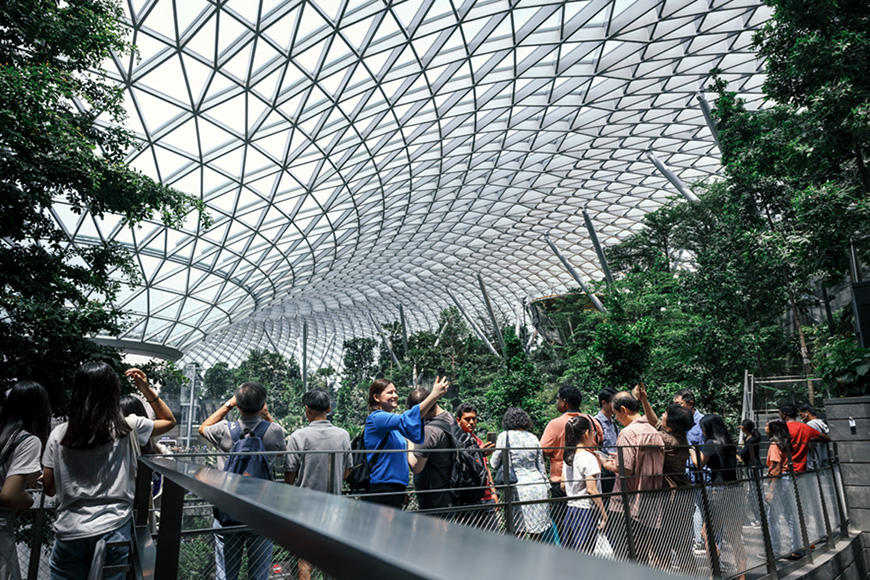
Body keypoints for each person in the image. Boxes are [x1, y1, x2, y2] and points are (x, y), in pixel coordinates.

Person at [43, 364, 176, 580]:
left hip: (69, 530)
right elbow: (169, 420)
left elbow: (49, 488)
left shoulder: (59, 434)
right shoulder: (128, 426)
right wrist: (145, 389)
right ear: (113, 392)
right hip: (114, 529)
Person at [199, 382, 285, 580]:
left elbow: (203, 428)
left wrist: (228, 405)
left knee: (226, 573)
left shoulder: (223, 430)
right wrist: (267, 416)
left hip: (228, 507)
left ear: (238, 405)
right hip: (261, 509)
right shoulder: (274, 431)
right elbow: (280, 453)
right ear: (263, 404)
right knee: (259, 572)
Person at [284, 388, 351, 580]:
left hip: (305, 505)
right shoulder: (343, 435)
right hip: (335, 506)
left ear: (307, 410)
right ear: (329, 408)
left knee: (305, 556)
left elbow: (289, 478)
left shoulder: (298, 436)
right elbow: (346, 473)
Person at [363, 377, 448, 508]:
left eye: (395, 392)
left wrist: (402, 489)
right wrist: (434, 395)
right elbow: (407, 419)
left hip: (394, 487)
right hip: (382, 486)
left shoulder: (394, 428)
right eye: (390, 392)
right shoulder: (376, 419)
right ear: (376, 397)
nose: (395, 396)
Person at [599, 391, 664, 563]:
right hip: (651, 503)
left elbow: (625, 471)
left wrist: (607, 465)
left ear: (623, 410)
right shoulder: (653, 431)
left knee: (626, 558)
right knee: (643, 557)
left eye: (616, 414)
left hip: (627, 506)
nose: (617, 419)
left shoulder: (628, 433)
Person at [0, 382, 51, 580]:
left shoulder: (4, 433)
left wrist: (27, 477)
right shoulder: (27, 440)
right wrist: (28, 500)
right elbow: (9, 495)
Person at [689, 414, 746, 580]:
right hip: (735, 490)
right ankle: (741, 576)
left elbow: (698, 463)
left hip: (719, 492)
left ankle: (716, 574)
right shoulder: (729, 444)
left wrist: (691, 449)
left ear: (707, 429)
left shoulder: (710, 444)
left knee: (707, 533)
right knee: (735, 536)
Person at [489, 407, 550, 538]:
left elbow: (494, 463)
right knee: (536, 532)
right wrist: (547, 487)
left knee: (518, 530)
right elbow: (541, 465)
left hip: (518, 489)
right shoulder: (533, 438)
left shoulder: (504, 436)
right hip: (538, 487)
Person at [406, 387, 457, 515]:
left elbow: (416, 466)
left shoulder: (429, 431)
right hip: (449, 490)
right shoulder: (449, 419)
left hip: (433, 497)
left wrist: (409, 440)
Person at [540, 385, 583, 534]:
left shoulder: (555, 424)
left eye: (558, 399)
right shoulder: (590, 421)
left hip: (561, 482)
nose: (557, 402)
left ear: (564, 402)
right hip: (587, 480)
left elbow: (543, 450)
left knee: (565, 527)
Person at [562, 415, 606, 553]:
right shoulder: (589, 458)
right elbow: (591, 490)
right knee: (585, 552)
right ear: (587, 433)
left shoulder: (568, 457)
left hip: (571, 509)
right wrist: (604, 515)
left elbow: (563, 486)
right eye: (593, 432)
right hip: (586, 512)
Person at [454, 402, 498, 529]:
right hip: (467, 499)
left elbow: (485, 467)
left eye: (474, 418)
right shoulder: (456, 442)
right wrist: (478, 453)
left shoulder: (478, 441)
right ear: (458, 420)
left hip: (486, 497)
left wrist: (493, 491)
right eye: (467, 419)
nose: (471, 422)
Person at [673, 388, 706, 552]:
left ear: (690, 403)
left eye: (679, 404)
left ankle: (700, 541)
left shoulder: (702, 423)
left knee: (700, 508)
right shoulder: (678, 424)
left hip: (699, 476)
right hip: (681, 475)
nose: (676, 408)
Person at [765, 418, 800, 559]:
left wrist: (771, 492)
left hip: (780, 481)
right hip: (788, 478)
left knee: (772, 516)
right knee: (790, 515)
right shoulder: (785, 443)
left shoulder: (774, 445)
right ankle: (797, 549)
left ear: (773, 428)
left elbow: (776, 468)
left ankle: (775, 550)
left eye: (767, 425)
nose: (765, 427)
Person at [778, 403, 829, 474]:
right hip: (802, 467)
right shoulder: (805, 427)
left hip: (787, 468)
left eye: (779, 413)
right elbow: (827, 438)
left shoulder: (782, 429)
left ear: (784, 414)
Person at [595, 387, 619, 500]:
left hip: (615, 470)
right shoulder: (596, 423)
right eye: (615, 402)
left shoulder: (614, 424)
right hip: (604, 472)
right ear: (604, 403)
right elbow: (594, 448)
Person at [739, 419, 763, 526]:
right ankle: (758, 515)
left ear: (743, 428)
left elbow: (744, 452)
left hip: (755, 467)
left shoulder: (752, 440)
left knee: (756, 491)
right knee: (754, 491)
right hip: (750, 466)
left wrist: (738, 452)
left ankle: (760, 516)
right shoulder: (747, 438)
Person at [798, 404, 830, 470]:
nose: (801, 418)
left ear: (807, 413)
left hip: (814, 462)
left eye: (801, 415)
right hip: (823, 458)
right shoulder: (820, 422)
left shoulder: (810, 425)